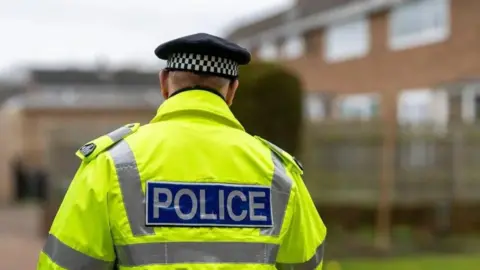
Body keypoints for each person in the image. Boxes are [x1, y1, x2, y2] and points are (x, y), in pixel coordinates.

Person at [37, 33, 327, 270]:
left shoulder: (112, 163)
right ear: (232, 91)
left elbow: (63, 265)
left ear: (164, 83)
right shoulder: (278, 171)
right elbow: (307, 264)